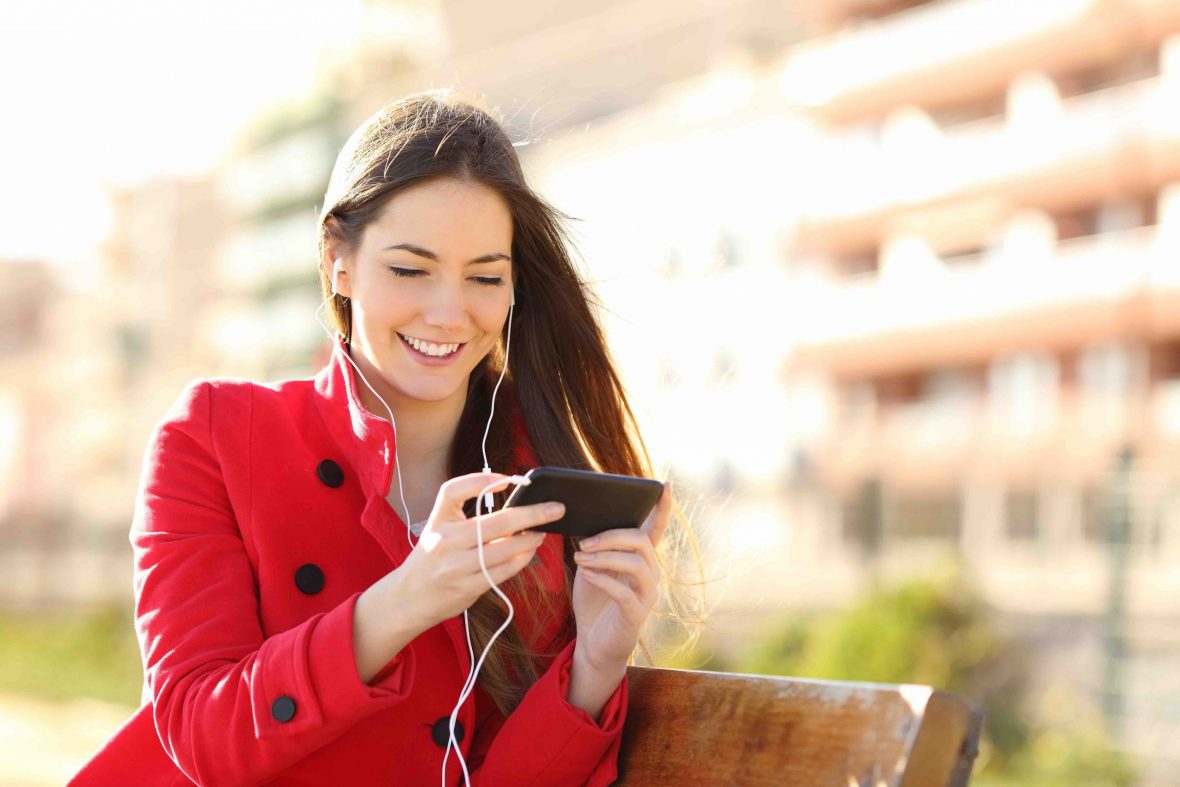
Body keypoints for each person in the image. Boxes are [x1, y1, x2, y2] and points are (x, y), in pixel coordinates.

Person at [71, 89, 688, 786]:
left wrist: (594, 668)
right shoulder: (217, 436)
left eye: (486, 276)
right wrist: (407, 597)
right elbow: (201, 736)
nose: (449, 312)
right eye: (410, 269)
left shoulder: (539, 489)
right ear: (338, 258)